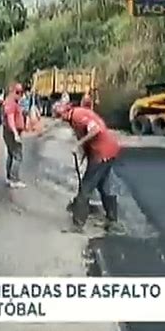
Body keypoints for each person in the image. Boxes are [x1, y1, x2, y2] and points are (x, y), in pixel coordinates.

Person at [52, 101, 125, 235]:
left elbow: (95, 129)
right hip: (108, 151)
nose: (59, 119)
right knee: (105, 186)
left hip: (101, 153)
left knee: (85, 189)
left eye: (58, 115)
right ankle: (113, 221)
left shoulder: (78, 116)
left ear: (64, 112)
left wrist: (78, 144)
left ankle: (78, 224)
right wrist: (85, 154)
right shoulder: (77, 115)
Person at [2, 82, 26, 188]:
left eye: (21, 92)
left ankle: (9, 177)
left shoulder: (13, 102)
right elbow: (10, 119)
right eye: (18, 92)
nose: (20, 95)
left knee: (11, 155)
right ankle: (14, 179)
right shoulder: (10, 102)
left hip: (10, 132)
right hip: (11, 132)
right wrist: (16, 133)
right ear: (12, 91)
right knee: (18, 156)